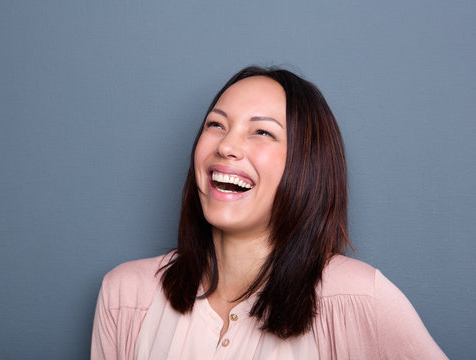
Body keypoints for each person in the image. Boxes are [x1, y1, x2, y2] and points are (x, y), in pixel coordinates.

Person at [91, 66, 447, 359]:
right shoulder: (125, 296)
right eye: (216, 125)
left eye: (262, 131)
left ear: (306, 165)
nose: (227, 146)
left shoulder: (359, 299)